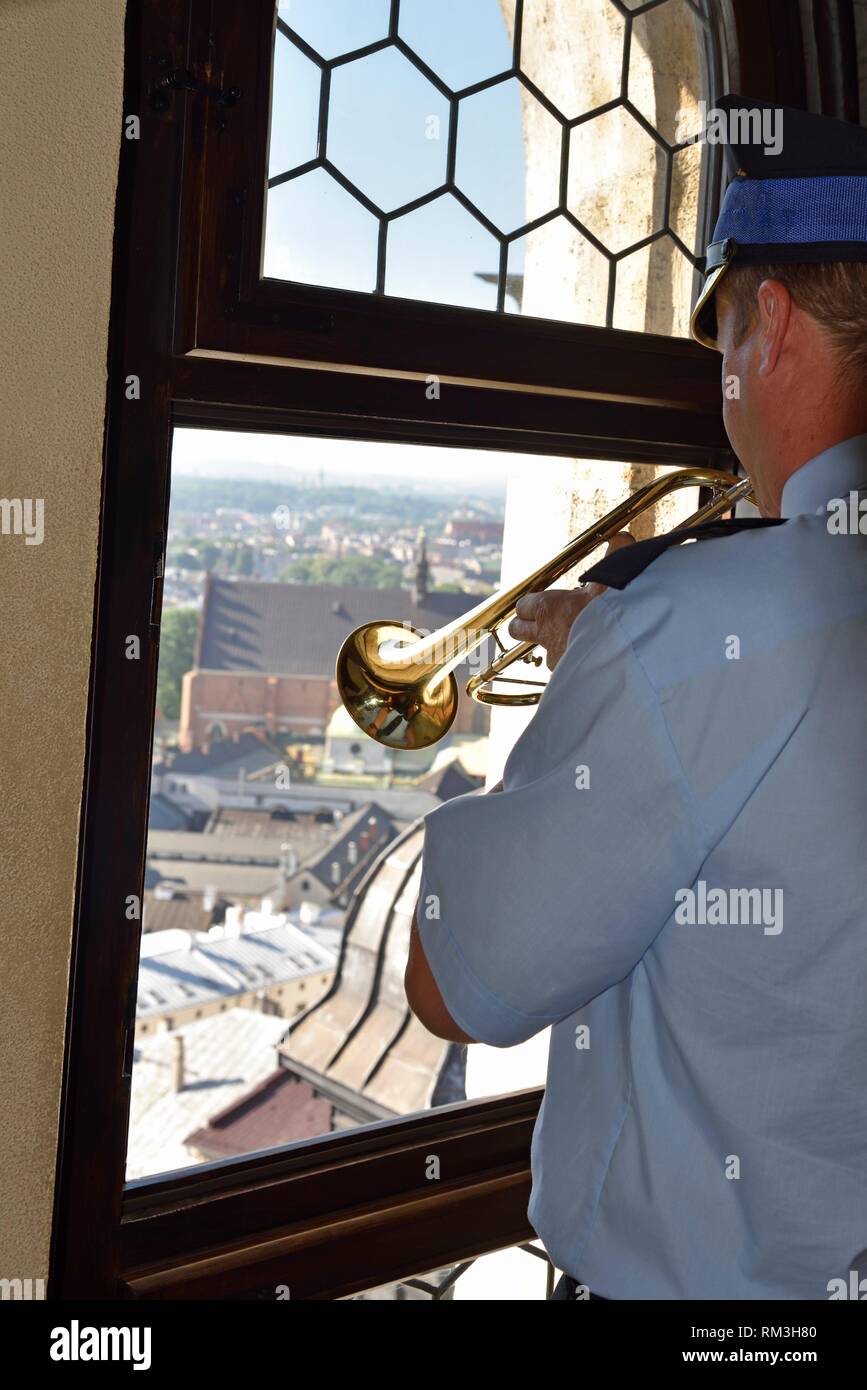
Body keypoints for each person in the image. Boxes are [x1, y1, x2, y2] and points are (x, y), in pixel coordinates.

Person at [404, 97, 867, 1300]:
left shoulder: (687, 630)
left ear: (765, 322)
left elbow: (450, 981)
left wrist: (603, 679)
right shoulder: (699, 620)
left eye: (716, 335)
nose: (720, 374)